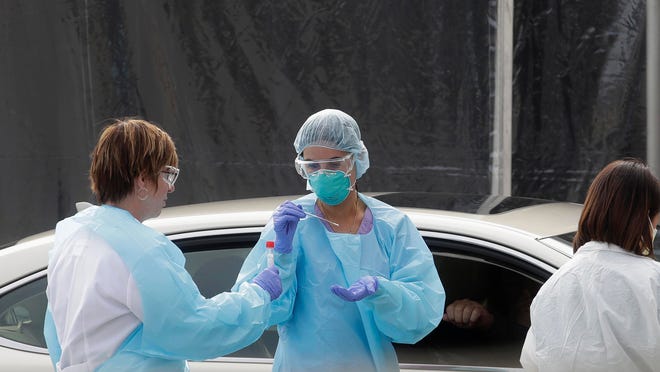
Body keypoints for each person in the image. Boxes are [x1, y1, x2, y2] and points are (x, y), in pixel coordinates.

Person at [43, 118, 283, 372]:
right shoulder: (139, 249)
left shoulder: (73, 235)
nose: (172, 186)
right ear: (142, 180)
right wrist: (258, 295)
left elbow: (55, 332)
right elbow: (194, 329)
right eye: (168, 174)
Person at [232, 108, 446, 372]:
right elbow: (264, 311)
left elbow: (421, 315)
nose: (323, 174)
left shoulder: (393, 227)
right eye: (312, 166)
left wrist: (383, 292)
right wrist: (282, 257)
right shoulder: (290, 224)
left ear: (356, 160)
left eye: (334, 164)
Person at [520, 158, 660, 372]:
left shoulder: (553, 287)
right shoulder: (652, 281)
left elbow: (532, 362)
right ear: (644, 218)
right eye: (657, 222)